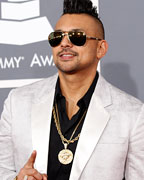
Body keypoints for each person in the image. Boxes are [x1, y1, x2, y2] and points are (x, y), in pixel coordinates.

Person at [0, 0, 144, 179]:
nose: (64, 43)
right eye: (57, 37)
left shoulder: (133, 114)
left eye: (77, 36)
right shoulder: (17, 101)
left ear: (101, 48)